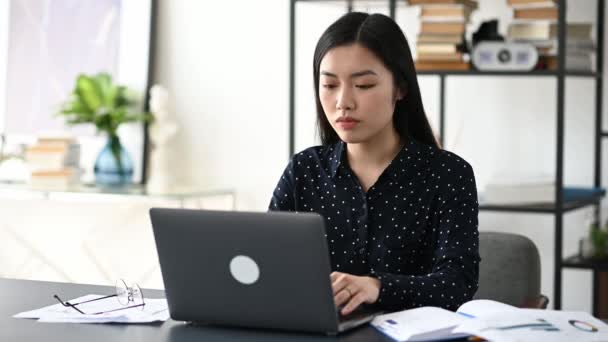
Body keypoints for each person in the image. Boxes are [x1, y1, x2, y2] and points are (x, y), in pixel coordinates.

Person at [269, 12, 480, 316]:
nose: (343, 102)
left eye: (364, 85)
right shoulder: (304, 170)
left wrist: (378, 287)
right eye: (329, 85)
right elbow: (267, 263)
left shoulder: (448, 174)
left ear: (400, 88)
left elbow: (457, 282)